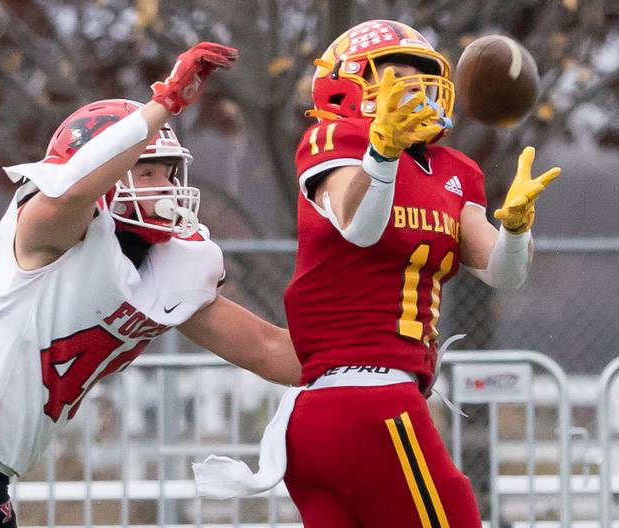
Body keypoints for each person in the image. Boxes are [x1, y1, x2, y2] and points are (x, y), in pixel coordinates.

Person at [0, 42, 301, 528]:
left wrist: (370, 363)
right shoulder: (50, 230)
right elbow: (73, 189)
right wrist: (162, 105)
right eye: (146, 171)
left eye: (168, 173)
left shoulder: (171, 272)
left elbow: (269, 350)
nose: (166, 188)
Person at [193, 20, 560, 527]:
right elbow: (359, 226)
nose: (412, 86)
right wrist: (382, 155)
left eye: (420, 75)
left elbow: (503, 272)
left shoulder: (453, 171)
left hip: (341, 412)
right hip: (372, 403)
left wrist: (516, 231)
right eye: (394, 74)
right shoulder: (333, 140)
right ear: (347, 85)